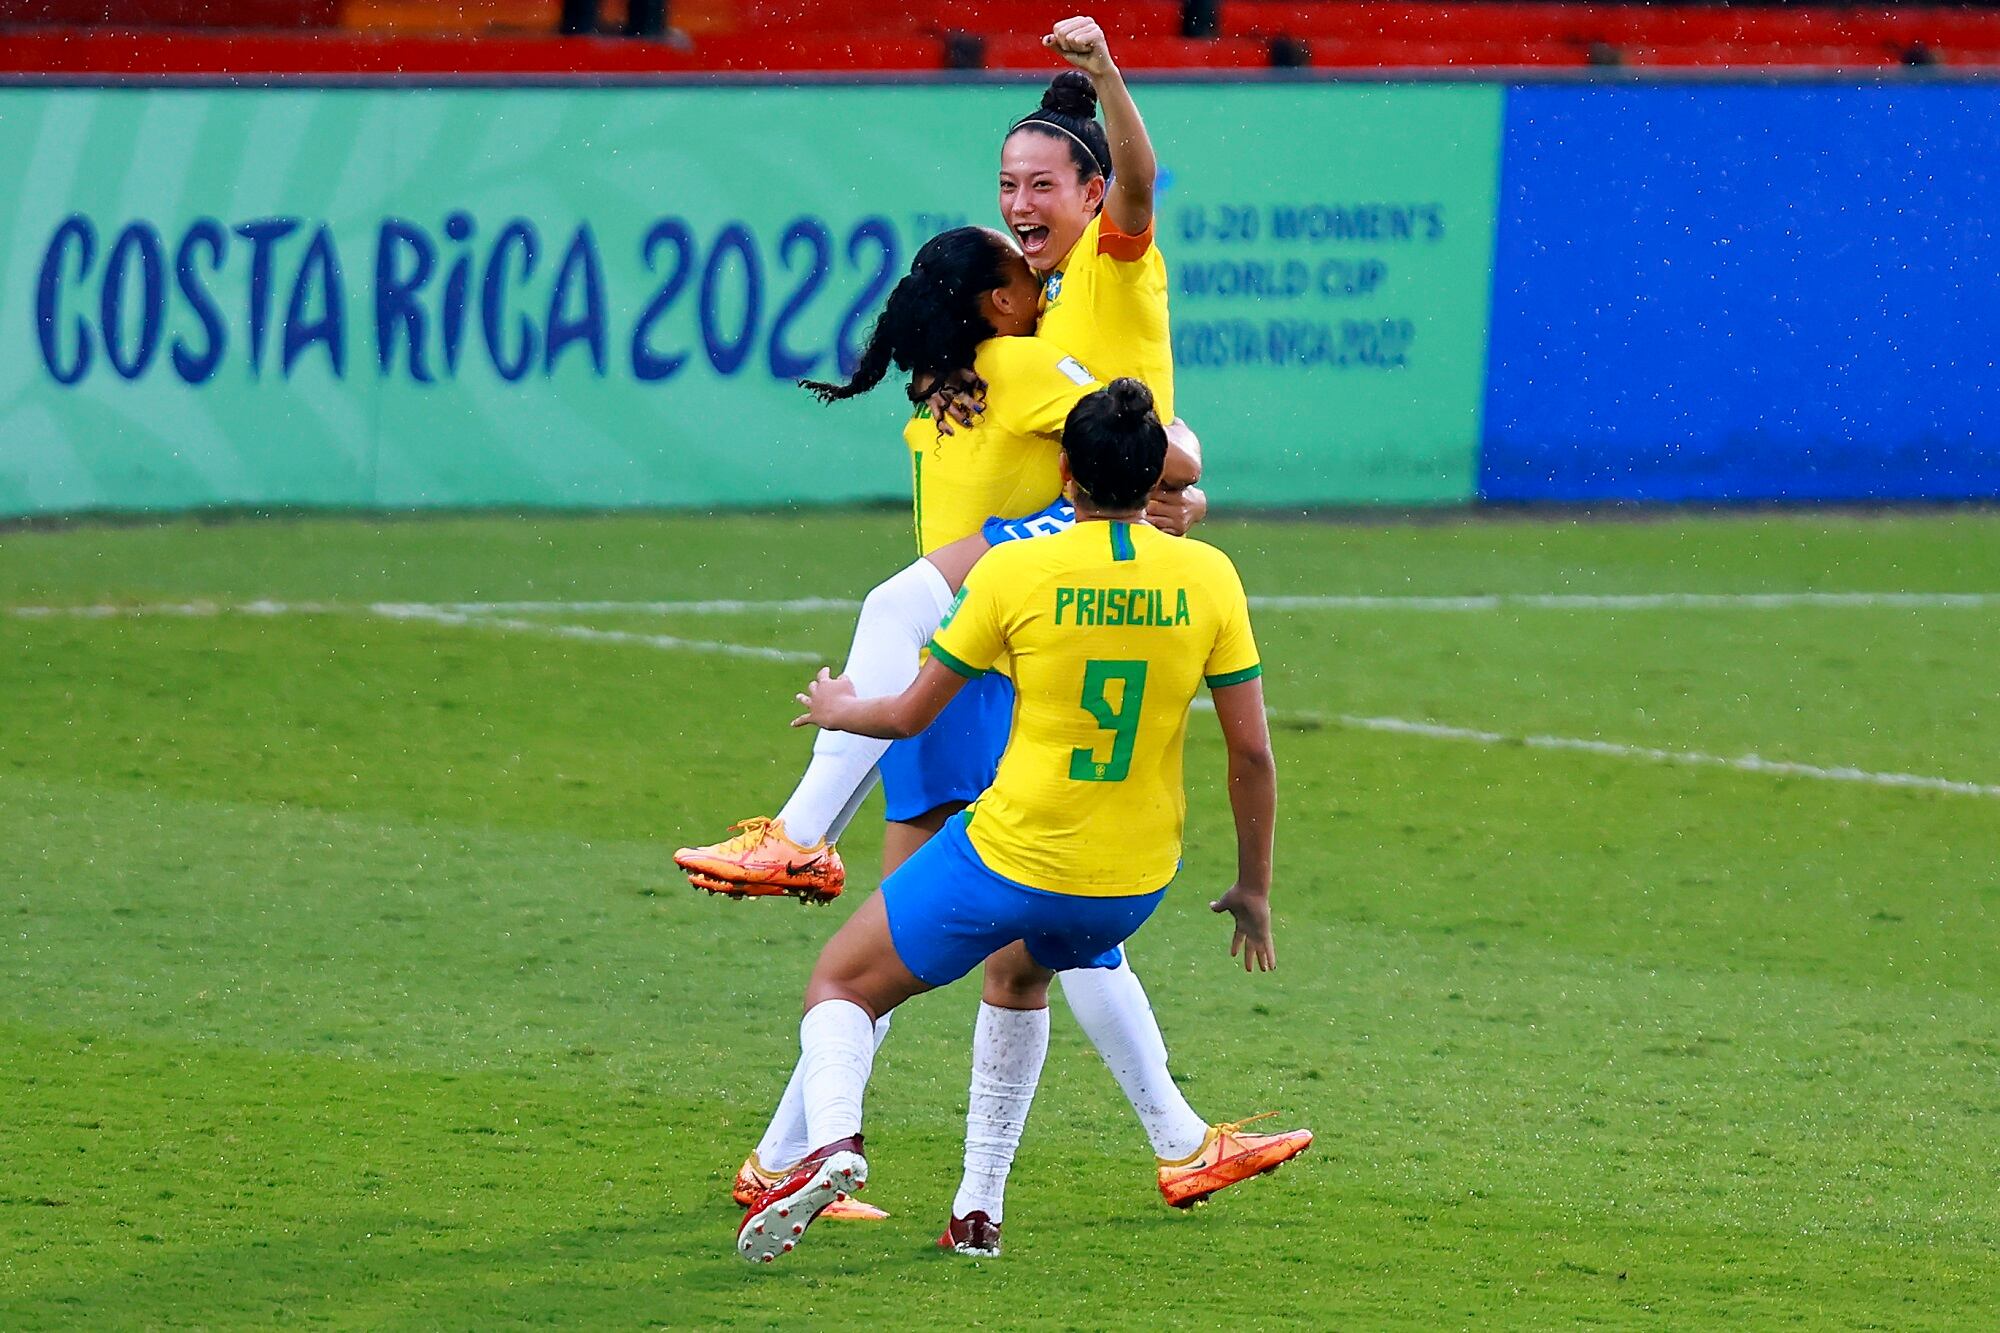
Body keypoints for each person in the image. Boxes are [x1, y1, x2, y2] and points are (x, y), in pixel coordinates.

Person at [683, 17, 1309, 1222]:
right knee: (1002, 930)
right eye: (1006, 187)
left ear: (1086, 190)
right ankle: (1148, 1142)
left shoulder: (1103, 271)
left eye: (1040, 184)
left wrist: (1166, 473)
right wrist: (1171, 472)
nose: (1022, 203)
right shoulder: (1019, 340)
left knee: (945, 937)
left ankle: (805, 1146)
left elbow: (1135, 184)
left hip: (1034, 610)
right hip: (1012, 624)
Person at [737, 379, 1285, 1264]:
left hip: (1009, 854)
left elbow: (911, 713)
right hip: (1129, 883)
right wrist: (1253, 887)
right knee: (1023, 977)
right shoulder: (1210, 576)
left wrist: (842, 705)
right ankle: (977, 1211)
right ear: (1156, 482)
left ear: (1064, 470)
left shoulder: (1016, 568)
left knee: (840, 984)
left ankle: (831, 1141)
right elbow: (1252, 755)